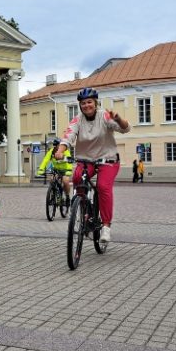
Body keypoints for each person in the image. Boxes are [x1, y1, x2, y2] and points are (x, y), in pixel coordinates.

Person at [54, 87, 130, 246]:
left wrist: (118, 118)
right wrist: (60, 151)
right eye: (83, 103)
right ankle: (84, 210)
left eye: (89, 102)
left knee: (103, 187)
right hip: (86, 159)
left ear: (95, 103)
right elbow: (68, 136)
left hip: (108, 160)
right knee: (76, 178)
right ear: (80, 105)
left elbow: (125, 129)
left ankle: (106, 226)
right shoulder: (77, 119)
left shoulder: (105, 116)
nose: (86, 105)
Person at [37, 138, 73, 202]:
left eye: (58, 145)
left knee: (65, 181)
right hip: (56, 170)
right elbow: (45, 160)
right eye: (55, 145)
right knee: (52, 179)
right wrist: (41, 169)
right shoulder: (51, 152)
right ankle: (55, 194)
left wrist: (69, 170)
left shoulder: (65, 151)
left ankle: (67, 196)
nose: (56, 147)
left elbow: (69, 161)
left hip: (65, 171)